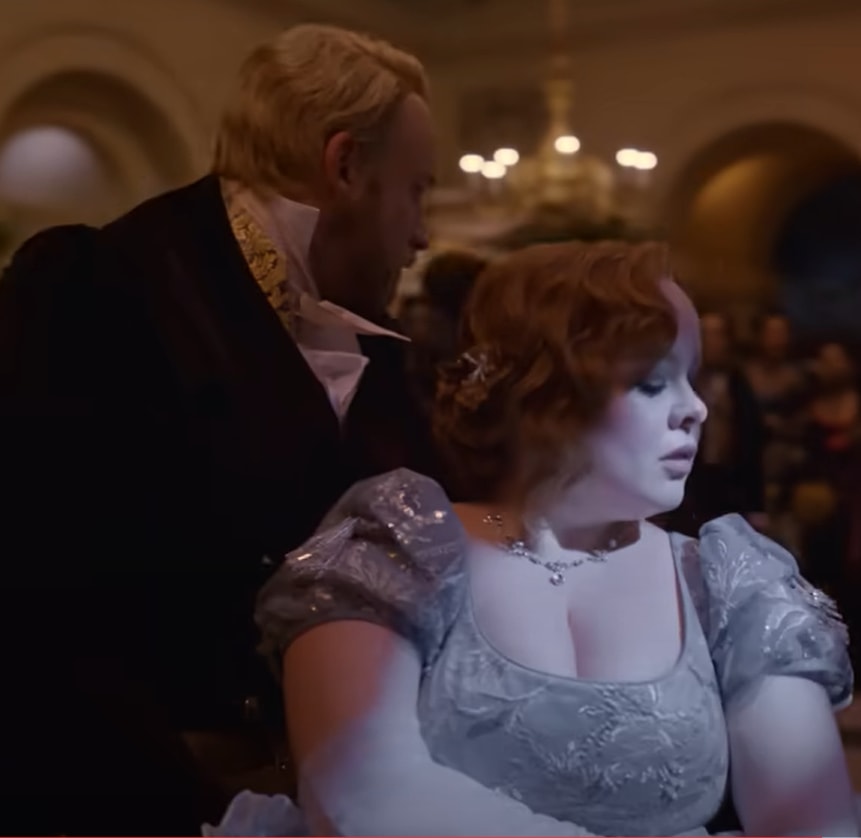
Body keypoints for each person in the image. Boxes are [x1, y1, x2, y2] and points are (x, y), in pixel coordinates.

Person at [212, 241, 858, 836]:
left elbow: (813, 824)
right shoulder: (396, 548)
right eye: (652, 381)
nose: (696, 408)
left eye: (691, 376)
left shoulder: (728, 582)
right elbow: (361, 797)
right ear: (544, 394)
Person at [0, 23, 436, 836]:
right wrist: (210, 806)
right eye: (416, 191)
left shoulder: (376, 349)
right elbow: (40, 604)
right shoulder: (96, 289)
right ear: (345, 166)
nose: (422, 234)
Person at [670, 310, 766, 535]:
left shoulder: (739, 385)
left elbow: (752, 443)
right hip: (690, 484)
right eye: (705, 335)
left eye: (718, 335)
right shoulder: (680, 382)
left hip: (731, 484)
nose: (711, 342)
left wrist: (756, 504)